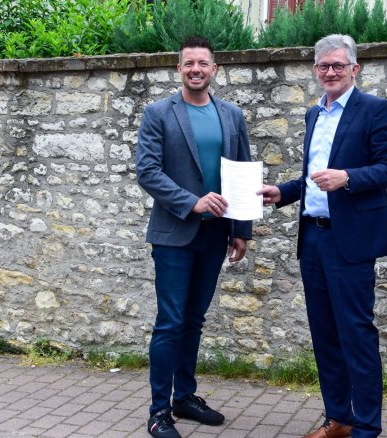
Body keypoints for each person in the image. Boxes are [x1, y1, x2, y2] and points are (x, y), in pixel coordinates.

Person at [258, 34, 387, 438]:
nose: (331, 72)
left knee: (356, 333)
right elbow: (311, 177)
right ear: (315, 70)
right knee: (324, 334)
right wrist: (283, 192)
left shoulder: (375, 110)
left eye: (339, 65)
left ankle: (367, 428)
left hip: (350, 240)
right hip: (314, 238)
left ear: (355, 68)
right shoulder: (313, 115)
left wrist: (348, 177)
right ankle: (338, 419)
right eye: (323, 66)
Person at [135, 36, 252, 438]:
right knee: (170, 322)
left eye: (203, 63)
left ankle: (184, 397)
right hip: (174, 234)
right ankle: (158, 412)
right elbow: (148, 172)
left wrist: (241, 230)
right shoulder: (158, 113)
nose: (196, 69)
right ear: (179, 69)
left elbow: (242, 172)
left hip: (216, 234)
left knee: (194, 321)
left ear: (215, 69)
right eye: (189, 64)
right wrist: (192, 202)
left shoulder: (232, 115)